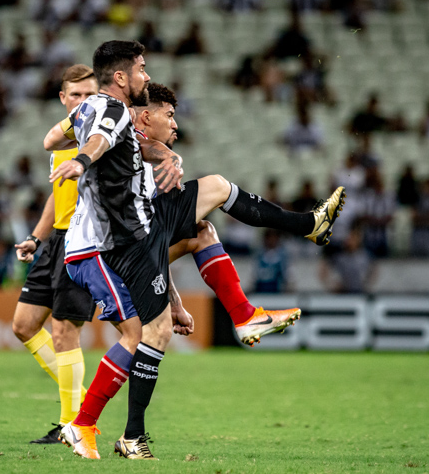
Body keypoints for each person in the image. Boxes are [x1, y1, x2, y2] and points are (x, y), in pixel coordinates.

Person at [49, 41, 346, 459]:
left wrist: (173, 298)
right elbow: (100, 138)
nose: (146, 75)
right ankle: (92, 426)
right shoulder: (113, 111)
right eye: (141, 69)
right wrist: (80, 159)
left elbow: (69, 139)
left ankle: (246, 312)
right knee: (143, 334)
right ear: (124, 82)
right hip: (112, 244)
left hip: (137, 235)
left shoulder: (123, 139)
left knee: (205, 225)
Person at [8, 65, 100, 445]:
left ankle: (71, 425)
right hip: (55, 241)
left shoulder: (100, 138)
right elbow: (56, 194)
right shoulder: (63, 141)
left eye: (88, 96)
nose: (80, 102)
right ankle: (80, 409)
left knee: (64, 332)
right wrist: (35, 237)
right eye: (74, 95)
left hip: (85, 242)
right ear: (63, 99)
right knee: (24, 325)